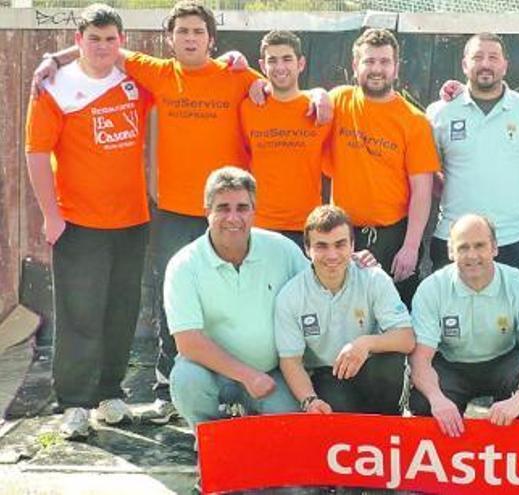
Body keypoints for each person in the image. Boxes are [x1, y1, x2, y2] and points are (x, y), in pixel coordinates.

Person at [32, 1, 330, 422]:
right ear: (170, 40)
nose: (191, 38)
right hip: (172, 212)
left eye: (198, 31)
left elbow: (286, 86)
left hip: (228, 214)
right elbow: (104, 49)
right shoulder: (155, 72)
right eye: (183, 32)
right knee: (174, 303)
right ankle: (167, 390)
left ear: (212, 39)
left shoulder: (236, 74)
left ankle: (247, 380)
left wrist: (321, 94)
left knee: (240, 301)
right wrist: (53, 58)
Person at [25, 3, 151, 439]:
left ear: (121, 42)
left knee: (121, 311)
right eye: (92, 38)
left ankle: (110, 393)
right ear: (78, 41)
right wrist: (51, 216)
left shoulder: (135, 79)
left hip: (133, 220)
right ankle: (74, 404)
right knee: (80, 313)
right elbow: (37, 154)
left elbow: (186, 71)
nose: (101, 46)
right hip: (77, 222)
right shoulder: (53, 86)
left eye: (110, 39)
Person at [164, 167, 310, 428]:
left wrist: (352, 262)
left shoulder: (283, 250)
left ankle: (248, 422)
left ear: (254, 211)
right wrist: (247, 376)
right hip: (210, 374)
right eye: (222, 208)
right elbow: (188, 342)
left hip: (271, 374)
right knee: (187, 380)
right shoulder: (184, 265)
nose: (233, 217)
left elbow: (316, 284)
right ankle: (209, 437)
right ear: (206, 211)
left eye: (242, 208)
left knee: (290, 428)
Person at [426, 32, 519, 282]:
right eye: (477, 57)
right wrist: (451, 193)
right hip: (454, 237)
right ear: (465, 64)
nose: (485, 64)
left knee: (518, 318)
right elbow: (426, 173)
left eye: (493, 57)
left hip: (517, 236)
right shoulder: (440, 112)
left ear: (505, 65)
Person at [324, 28, 440, 307]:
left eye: (384, 62)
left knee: (394, 316)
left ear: (396, 68)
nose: (377, 69)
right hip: (343, 234)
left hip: (393, 237)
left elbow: (422, 190)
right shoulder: (338, 101)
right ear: (355, 66)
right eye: (369, 61)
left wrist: (411, 247)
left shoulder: (414, 121)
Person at [409, 214, 519, 437]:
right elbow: (420, 359)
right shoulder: (431, 289)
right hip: (451, 364)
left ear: (494, 248)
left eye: (480, 246)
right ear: (450, 251)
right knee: (424, 403)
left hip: (503, 360)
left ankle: (516, 458)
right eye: (463, 247)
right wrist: (437, 400)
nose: (472, 255)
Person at [275, 205, 415, 415]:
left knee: (391, 365)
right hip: (327, 373)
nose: (332, 255)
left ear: (352, 246)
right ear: (307, 249)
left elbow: (407, 339)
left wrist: (364, 343)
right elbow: (290, 361)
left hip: (369, 365)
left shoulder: (374, 279)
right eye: (321, 246)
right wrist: (309, 400)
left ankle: (389, 430)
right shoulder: (291, 295)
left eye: (340, 244)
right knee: (338, 415)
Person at [240, 30, 331, 249]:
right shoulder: (247, 109)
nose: (280, 67)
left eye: (287, 59)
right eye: (273, 60)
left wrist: (321, 93)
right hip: (259, 226)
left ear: (301, 64)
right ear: (262, 66)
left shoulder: (322, 110)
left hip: (308, 227)